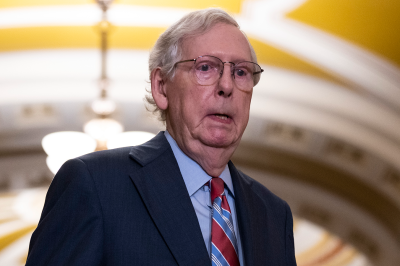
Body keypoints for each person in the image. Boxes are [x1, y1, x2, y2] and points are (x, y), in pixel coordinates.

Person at [26, 8, 296, 266]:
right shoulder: (95, 184)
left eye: (241, 72)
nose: (226, 85)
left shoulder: (274, 215)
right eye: (205, 67)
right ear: (161, 87)